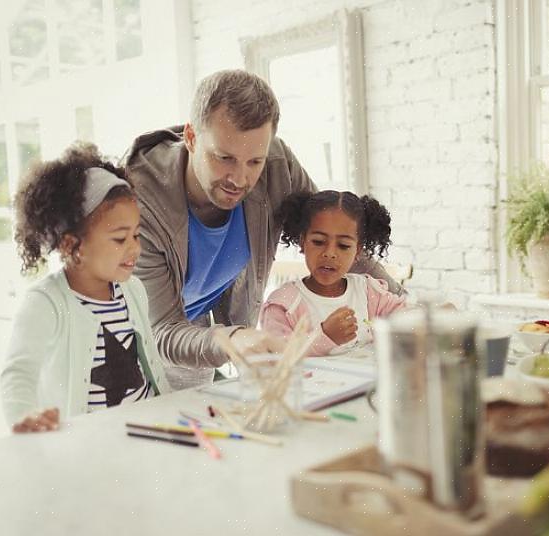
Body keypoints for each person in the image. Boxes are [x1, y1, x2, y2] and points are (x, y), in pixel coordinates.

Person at [123, 69, 402, 388]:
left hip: (205, 324)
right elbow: (160, 330)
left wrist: (411, 308)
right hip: (147, 338)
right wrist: (232, 339)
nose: (239, 179)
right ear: (191, 138)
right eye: (224, 157)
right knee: (166, 420)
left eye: (254, 161)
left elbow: (338, 232)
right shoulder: (140, 203)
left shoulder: (278, 165)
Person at [0, 144, 170, 433]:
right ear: (71, 245)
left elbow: (149, 364)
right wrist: (24, 416)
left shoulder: (134, 290)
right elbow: (18, 372)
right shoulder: (46, 302)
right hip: (87, 443)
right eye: (120, 239)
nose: (135, 248)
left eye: (137, 235)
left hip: (144, 430)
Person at [260, 190, 406, 356]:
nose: (330, 253)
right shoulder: (283, 304)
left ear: (357, 251)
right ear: (303, 242)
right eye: (319, 241)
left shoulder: (369, 292)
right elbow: (275, 356)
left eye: (343, 245)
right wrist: (324, 336)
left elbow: (408, 318)